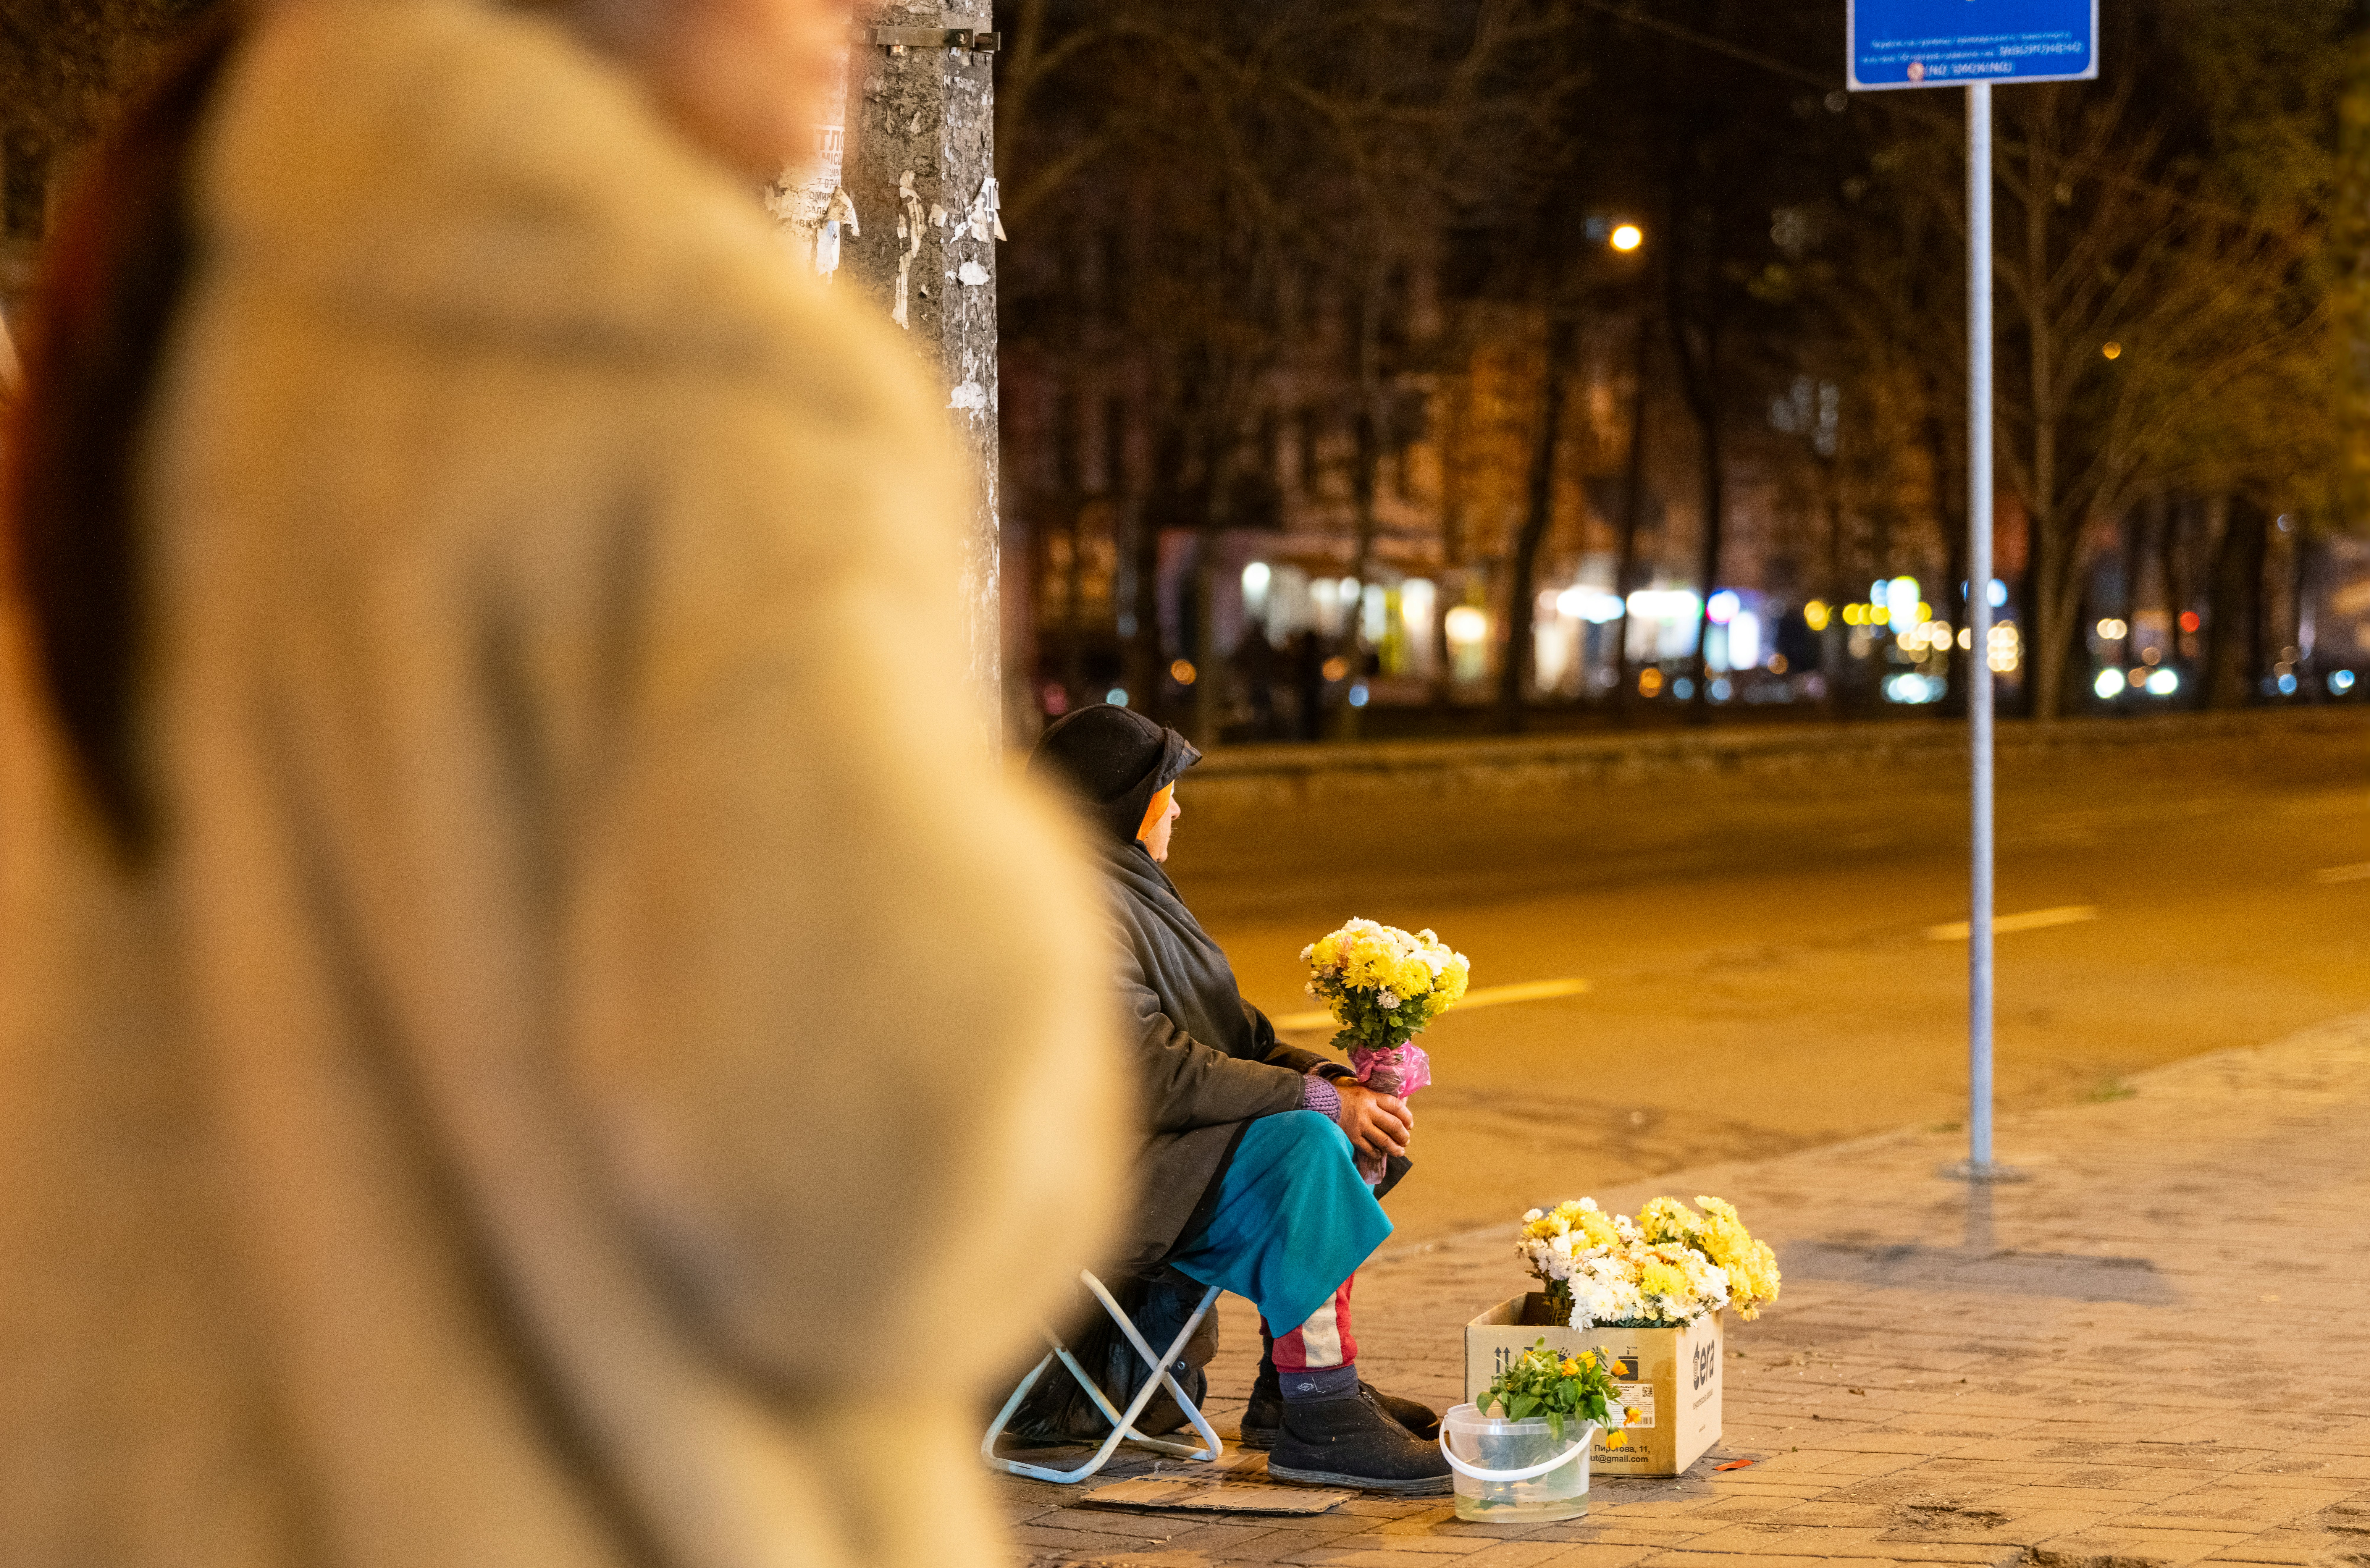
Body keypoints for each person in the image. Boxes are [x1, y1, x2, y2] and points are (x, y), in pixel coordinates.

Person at [0, 0, 1124, 1563]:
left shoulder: (180, 305)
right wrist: (971, 829)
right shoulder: (703, 399)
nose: (844, 20)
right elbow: (869, 1190)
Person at [1029, 704, 1453, 1494]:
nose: (1177, 806)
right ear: (1121, 803)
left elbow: (1235, 1035)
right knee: (1305, 1147)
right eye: (1165, 790)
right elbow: (1144, 1069)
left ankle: (1286, 1391)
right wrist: (1313, 1103)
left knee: (1353, 1134)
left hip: (1146, 1155)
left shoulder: (1128, 884)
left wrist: (1339, 1082)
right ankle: (1320, 1417)